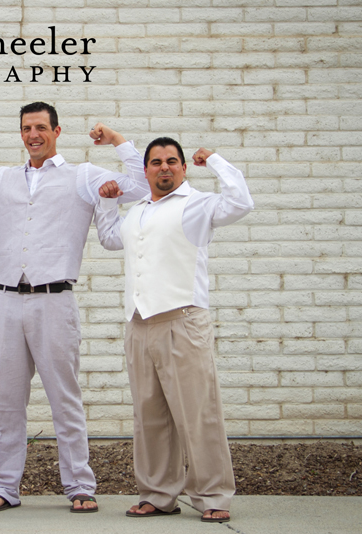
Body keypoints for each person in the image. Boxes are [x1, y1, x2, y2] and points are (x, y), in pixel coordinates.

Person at [0, 102, 150, 513]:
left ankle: (79, 484)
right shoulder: (3, 179)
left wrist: (117, 141)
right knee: (8, 400)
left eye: (41, 127)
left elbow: (142, 187)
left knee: (65, 398)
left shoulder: (83, 177)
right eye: (26, 128)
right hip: (6, 302)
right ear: (20, 133)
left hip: (55, 302)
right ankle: (5, 486)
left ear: (57, 131)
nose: (33, 134)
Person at [95, 138, 254, 523]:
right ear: (146, 170)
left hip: (183, 321)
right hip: (139, 324)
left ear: (183, 167)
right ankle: (157, 494)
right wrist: (107, 201)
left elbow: (241, 202)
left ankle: (213, 494)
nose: (163, 167)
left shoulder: (198, 203)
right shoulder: (137, 212)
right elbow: (109, 238)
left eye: (171, 161)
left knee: (198, 413)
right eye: (155, 162)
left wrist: (214, 160)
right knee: (149, 416)